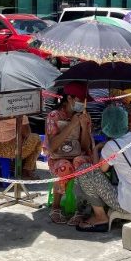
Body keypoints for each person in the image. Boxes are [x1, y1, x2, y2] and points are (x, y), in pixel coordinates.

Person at [74, 105, 131, 232]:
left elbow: (99, 170)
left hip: (129, 206)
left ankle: (100, 217)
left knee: (84, 170)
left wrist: (97, 149)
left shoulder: (112, 146)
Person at [45, 83, 93, 225]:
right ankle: (56, 207)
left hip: (78, 155)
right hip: (58, 158)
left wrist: (84, 128)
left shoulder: (84, 116)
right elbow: (52, 146)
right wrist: (72, 125)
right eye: (79, 100)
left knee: (80, 162)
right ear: (69, 98)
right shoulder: (54, 116)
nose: (82, 104)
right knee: (64, 166)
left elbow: (85, 147)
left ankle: (80, 209)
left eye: (84, 101)